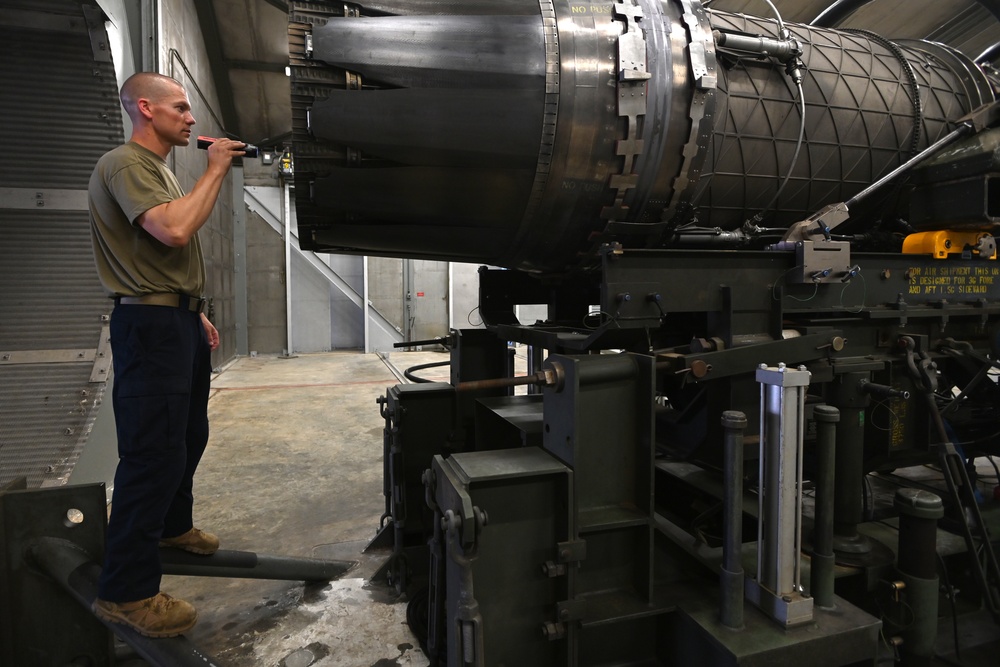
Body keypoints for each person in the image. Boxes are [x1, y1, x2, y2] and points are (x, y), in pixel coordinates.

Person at [87, 71, 247, 638]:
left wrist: (189, 307)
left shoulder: (154, 170)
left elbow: (159, 256)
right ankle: (125, 593)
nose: (191, 117)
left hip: (170, 317)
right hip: (150, 328)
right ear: (146, 109)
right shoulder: (128, 163)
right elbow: (173, 231)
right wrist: (217, 170)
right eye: (181, 107)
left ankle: (172, 526)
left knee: (186, 436)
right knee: (153, 452)